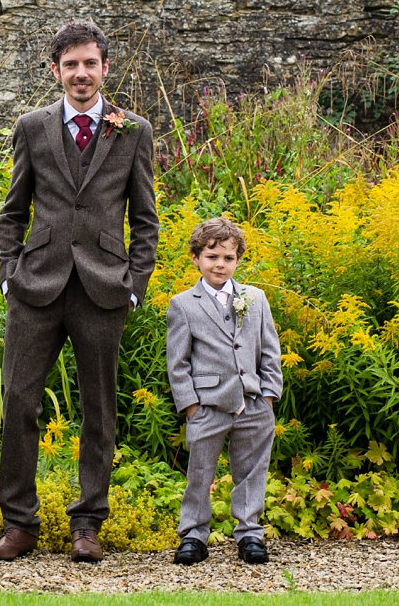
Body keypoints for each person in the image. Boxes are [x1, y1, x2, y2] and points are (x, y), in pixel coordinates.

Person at [0, 21, 159, 563]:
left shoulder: (133, 130)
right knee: (18, 403)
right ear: (54, 70)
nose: (80, 74)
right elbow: (12, 210)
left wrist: (134, 285)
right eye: (70, 65)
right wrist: (9, 272)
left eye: (90, 64)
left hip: (104, 287)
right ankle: (20, 526)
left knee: (98, 409)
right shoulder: (32, 127)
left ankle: (88, 524)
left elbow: (145, 218)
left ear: (106, 68)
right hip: (36, 284)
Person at [167, 217, 282, 566]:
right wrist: (191, 407)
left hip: (253, 401)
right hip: (208, 405)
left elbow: (269, 349)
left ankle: (249, 534)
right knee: (200, 472)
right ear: (196, 258)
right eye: (212, 256)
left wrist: (268, 394)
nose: (220, 264)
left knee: (251, 470)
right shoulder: (184, 304)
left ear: (238, 260)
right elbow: (178, 362)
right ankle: (194, 536)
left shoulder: (255, 298)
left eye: (228, 258)